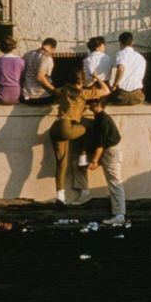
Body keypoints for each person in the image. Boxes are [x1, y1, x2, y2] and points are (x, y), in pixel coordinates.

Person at [81, 96, 126, 226]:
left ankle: (119, 215)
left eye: (94, 103)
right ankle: (118, 213)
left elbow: (100, 146)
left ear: (100, 105)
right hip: (110, 151)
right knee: (114, 182)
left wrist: (95, 161)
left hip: (110, 152)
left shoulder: (103, 121)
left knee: (115, 182)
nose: (91, 105)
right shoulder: (100, 118)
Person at [50, 71, 90, 206]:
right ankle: (83, 156)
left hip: (55, 127)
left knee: (61, 164)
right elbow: (106, 90)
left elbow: (55, 92)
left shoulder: (63, 90)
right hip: (67, 127)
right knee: (88, 127)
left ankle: (60, 196)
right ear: (82, 81)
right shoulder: (84, 93)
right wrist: (96, 79)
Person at [109, 32, 146, 105]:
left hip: (122, 96)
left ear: (120, 43)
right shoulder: (141, 57)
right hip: (137, 97)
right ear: (132, 42)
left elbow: (121, 68)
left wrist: (115, 84)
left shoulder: (121, 53)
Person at [21, 37, 57, 105]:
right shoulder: (47, 58)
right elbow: (40, 77)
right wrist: (53, 90)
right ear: (53, 48)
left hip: (26, 96)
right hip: (40, 98)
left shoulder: (28, 54)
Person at [0, 36, 25, 105]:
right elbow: (23, 78)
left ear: (1, 48)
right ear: (14, 48)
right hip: (17, 95)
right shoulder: (21, 61)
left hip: (2, 95)